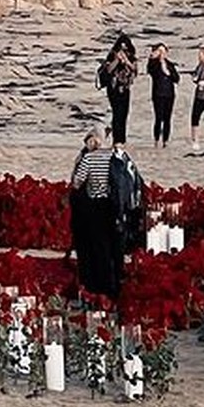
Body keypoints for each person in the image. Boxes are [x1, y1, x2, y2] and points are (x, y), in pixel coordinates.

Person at [70, 130, 123, 299]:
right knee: (113, 245)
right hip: (114, 206)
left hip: (95, 206)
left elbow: (77, 182)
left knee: (98, 244)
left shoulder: (88, 158)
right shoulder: (115, 157)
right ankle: (115, 281)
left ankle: (98, 283)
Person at [98, 32, 136, 146]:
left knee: (124, 113)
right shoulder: (111, 56)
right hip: (113, 88)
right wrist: (117, 60)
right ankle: (116, 139)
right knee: (117, 113)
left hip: (125, 88)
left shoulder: (131, 57)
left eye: (125, 48)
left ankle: (122, 139)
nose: (123, 50)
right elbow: (108, 70)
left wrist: (126, 62)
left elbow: (134, 71)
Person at [146, 43, 180, 148]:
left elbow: (176, 78)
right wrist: (156, 59)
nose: (162, 54)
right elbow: (151, 71)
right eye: (159, 51)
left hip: (169, 94)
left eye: (163, 51)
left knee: (167, 118)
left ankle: (166, 140)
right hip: (158, 94)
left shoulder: (170, 64)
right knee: (158, 118)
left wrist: (166, 68)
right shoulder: (153, 64)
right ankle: (156, 139)